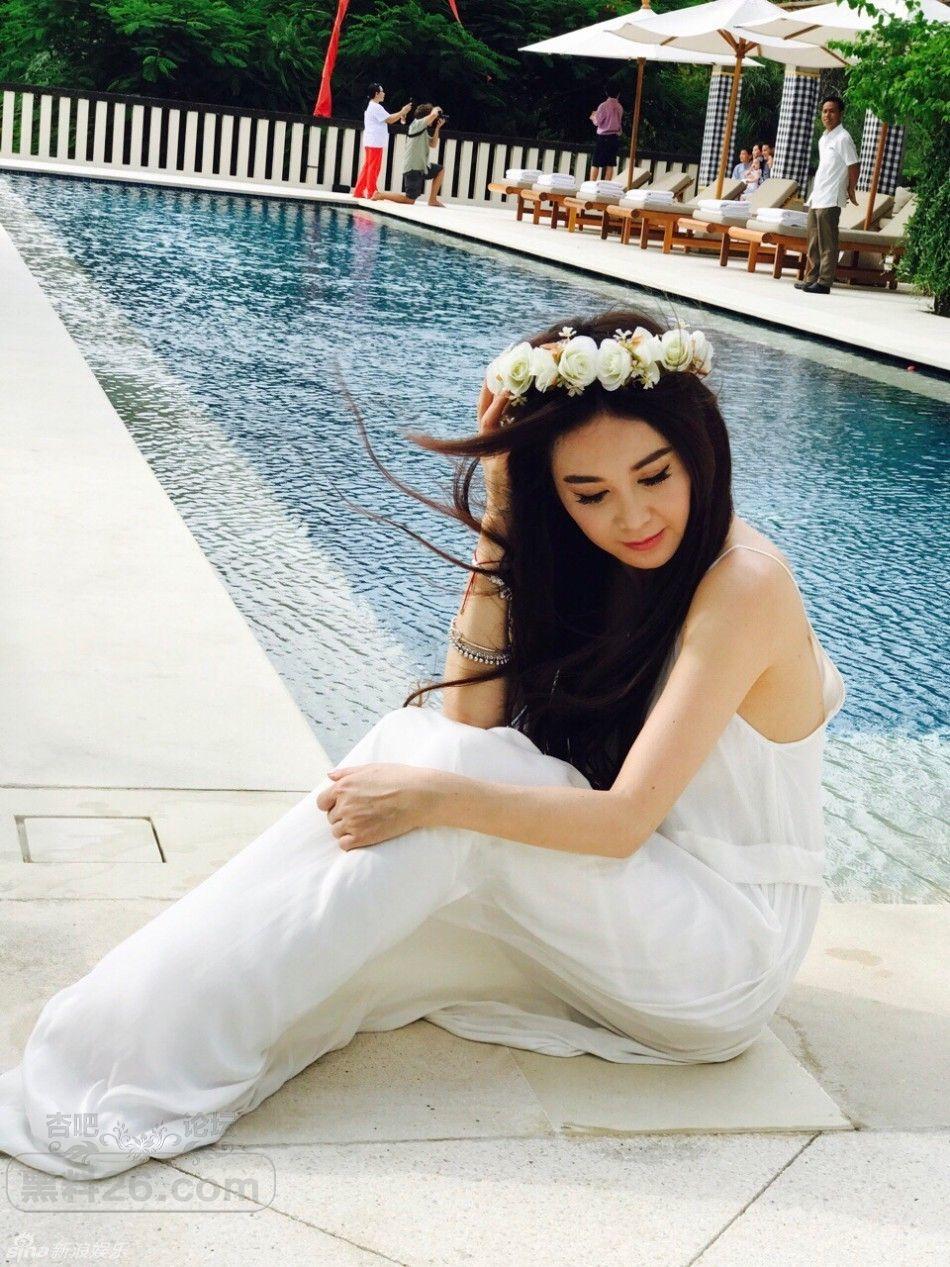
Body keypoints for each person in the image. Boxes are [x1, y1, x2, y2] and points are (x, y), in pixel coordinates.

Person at [0, 309, 844, 1181]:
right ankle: (132, 1030)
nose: (631, 515)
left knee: (439, 791)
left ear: (700, 447)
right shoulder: (610, 562)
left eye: (654, 474)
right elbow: (465, 723)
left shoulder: (744, 584)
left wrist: (432, 797)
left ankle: (139, 1049)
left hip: (723, 954)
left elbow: (622, 819)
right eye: (588, 493)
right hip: (644, 904)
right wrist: (501, 513)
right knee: (423, 769)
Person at [795, 94, 859, 294]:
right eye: (824, 111)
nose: (827, 115)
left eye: (832, 111)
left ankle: (824, 282)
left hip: (831, 197)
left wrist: (851, 189)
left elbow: (853, 165)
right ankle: (811, 278)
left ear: (840, 114)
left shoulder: (843, 138)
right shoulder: (824, 138)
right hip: (818, 195)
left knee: (827, 242)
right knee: (813, 241)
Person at [372, 103, 446, 207]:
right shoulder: (417, 124)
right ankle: (380, 195)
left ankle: (432, 200)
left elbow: (433, 144)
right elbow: (433, 114)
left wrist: (438, 128)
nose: (434, 119)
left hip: (422, 167)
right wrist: (436, 109)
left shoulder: (422, 129)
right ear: (426, 116)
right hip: (413, 168)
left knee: (440, 170)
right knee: (409, 200)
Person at [352, 83, 412, 199]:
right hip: (375, 142)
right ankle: (372, 192)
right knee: (374, 167)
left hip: (371, 141)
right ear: (376, 94)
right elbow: (390, 120)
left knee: (368, 166)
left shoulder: (372, 106)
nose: (384, 94)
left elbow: (389, 117)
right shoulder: (376, 107)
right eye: (382, 91)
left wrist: (401, 114)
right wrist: (402, 111)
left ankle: (359, 191)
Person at [589, 88, 623, 181]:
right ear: (618, 94)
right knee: (610, 163)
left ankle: (592, 184)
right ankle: (607, 185)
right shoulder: (620, 107)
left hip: (603, 137)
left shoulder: (603, 106)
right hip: (614, 137)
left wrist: (593, 117)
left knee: (596, 162)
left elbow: (598, 122)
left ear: (606, 93)